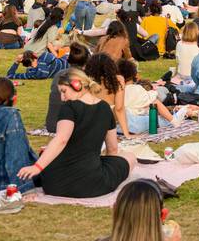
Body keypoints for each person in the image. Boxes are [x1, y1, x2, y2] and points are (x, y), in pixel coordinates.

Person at [17, 68, 135, 197]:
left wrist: (37, 167)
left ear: (77, 85)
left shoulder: (69, 108)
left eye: (63, 91)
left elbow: (61, 139)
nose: (62, 98)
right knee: (130, 157)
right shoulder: (105, 108)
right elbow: (112, 149)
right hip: (90, 185)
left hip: (54, 184)